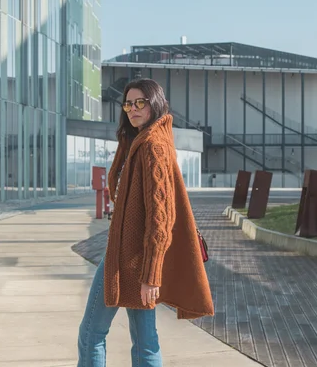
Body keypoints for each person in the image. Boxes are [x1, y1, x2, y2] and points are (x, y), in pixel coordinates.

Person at [77, 78, 214, 367]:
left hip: (129, 261)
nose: (132, 108)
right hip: (130, 257)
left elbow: (160, 218)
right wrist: (127, 140)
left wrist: (151, 275)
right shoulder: (143, 140)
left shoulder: (152, 145)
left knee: (91, 334)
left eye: (140, 102)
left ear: (155, 103)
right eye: (128, 103)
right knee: (144, 340)